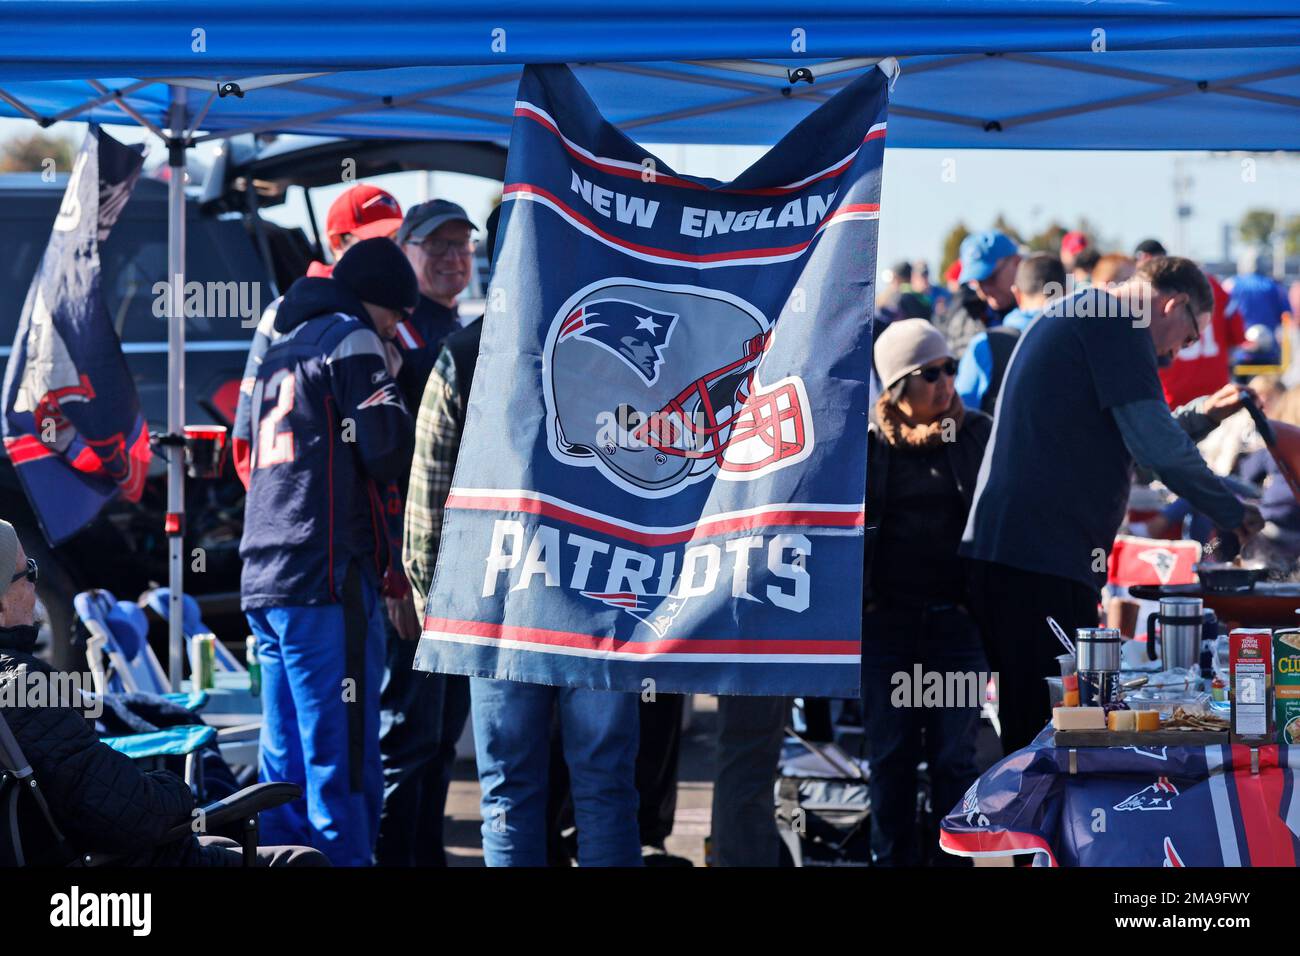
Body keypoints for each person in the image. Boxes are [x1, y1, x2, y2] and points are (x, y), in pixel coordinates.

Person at [961, 256, 1263, 754]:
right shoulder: (1116, 322)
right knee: (1049, 735)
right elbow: (1157, 450)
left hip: (1026, 559)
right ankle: (1027, 835)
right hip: (1037, 562)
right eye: (1186, 340)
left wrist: (1205, 414)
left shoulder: (1094, 314)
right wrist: (1234, 513)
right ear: (1175, 303)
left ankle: (1032, 832)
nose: (1173, 357)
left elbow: (1142, 444)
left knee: (1048, 727)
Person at [0, 521, 327, 867]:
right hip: (111, 868)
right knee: (304, 861)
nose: (36, 582)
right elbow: (126, 811)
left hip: (91, 850)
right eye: (29, 571)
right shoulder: (21, 686)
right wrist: (182, 791)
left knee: (221, 839)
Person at [239, 239, 418, 865]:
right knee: (339, 753)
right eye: (397, 316)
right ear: (379, 304)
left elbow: (242, 447)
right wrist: (393, 384)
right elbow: (388, 449)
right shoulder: (354, 337)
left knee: (281, 758)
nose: (398, 329)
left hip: (263, 569)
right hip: (326, 572)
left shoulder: (277, 346)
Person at [864, 320, 991, 866]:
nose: (946, 382)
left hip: (955, 627)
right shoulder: (867, 445)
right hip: (886, 626)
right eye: (929, 373)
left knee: (953, 763)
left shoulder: (978, 434)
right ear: (895, 387)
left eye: (951, 368)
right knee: (890, 760)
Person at [375, 199, 479, 867]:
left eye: (460, 245)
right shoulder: (398, 336)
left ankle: (426, 856)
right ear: (403, 253)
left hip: (463, 570)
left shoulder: (465, 331)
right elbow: (386, 470)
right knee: (408, 737)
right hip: (412, 576)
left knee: (442, 736)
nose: (449, 257)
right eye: (433, 245)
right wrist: (398, 577)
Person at [955, 253, 1066, 413]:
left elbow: (960, 412)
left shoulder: (985, 344)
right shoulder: (1082, 338)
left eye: (991, 279)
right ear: (1065, 291)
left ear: (1017, 293)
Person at [1159, 270, 1245, 409]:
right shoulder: (1211, 283)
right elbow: (1237, 335)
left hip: (1170, 395)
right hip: (1215, 394)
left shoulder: (1155, 287)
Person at [937, 231, 1019, 358]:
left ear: (1016, 262)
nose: (984, 289)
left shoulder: (1044, 309)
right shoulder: (964, 318)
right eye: (977, 282)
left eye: (991, 278)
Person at [306, 183, 405, 278]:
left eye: (395, 239)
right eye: (375, 243)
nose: (390, 252)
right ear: (337, 244)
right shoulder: (320, 293)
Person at [1226, 248, 1290, 334]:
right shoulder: (1273, 286)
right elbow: (1286, 313)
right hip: (1269, 336)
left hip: (1240, 338)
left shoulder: (1230, 284)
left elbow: (1224, 313)